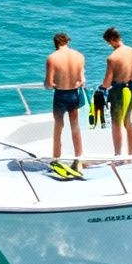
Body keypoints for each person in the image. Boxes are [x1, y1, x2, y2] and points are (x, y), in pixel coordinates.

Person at [44, 31, 85, 171]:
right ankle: (78, 160)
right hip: (74, 94)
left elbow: (49, 84)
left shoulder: (52, 58)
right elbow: (82, 80)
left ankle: (56, 159)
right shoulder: (79, 56)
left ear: (56, 44)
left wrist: (49, 84)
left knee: (58, 127)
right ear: (67, 41)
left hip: (60, 96)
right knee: (75, 127)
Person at [102, 27, 132, 162]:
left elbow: (107, 82)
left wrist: (101, 89)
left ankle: (118, 156)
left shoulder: (112, 58)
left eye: (109, 43)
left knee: (116, 124)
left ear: (112, 40)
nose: (109, 46)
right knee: (128, 123)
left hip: (119, 93)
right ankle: (131, 157)